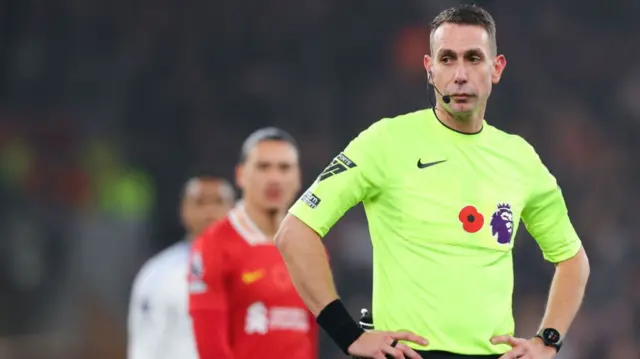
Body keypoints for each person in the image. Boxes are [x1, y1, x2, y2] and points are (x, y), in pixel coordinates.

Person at [274, 4, 590, 359]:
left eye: (473, 58)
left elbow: (572, 259)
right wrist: (348, 335)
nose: (460, 74)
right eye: (447, 59)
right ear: (429, 69)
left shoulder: (519, 157)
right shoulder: (386, 141)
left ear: (496, 68)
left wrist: (547, 341)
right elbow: (295, 232)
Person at [188, 127, 318, 359]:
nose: (275, 178)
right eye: (263, 167)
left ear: (298, 177)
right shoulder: (213, 245)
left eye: (284, 168)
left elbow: (309, 337)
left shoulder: (311, 246)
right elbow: (211, 349)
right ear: (240, 175)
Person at [127, 175, 235, 359]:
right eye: (200, 203)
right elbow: (144, 346)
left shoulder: (256, 267)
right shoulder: (159, 274)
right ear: (184, 210)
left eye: (218, 202)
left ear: (234, 209)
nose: (210, 211)